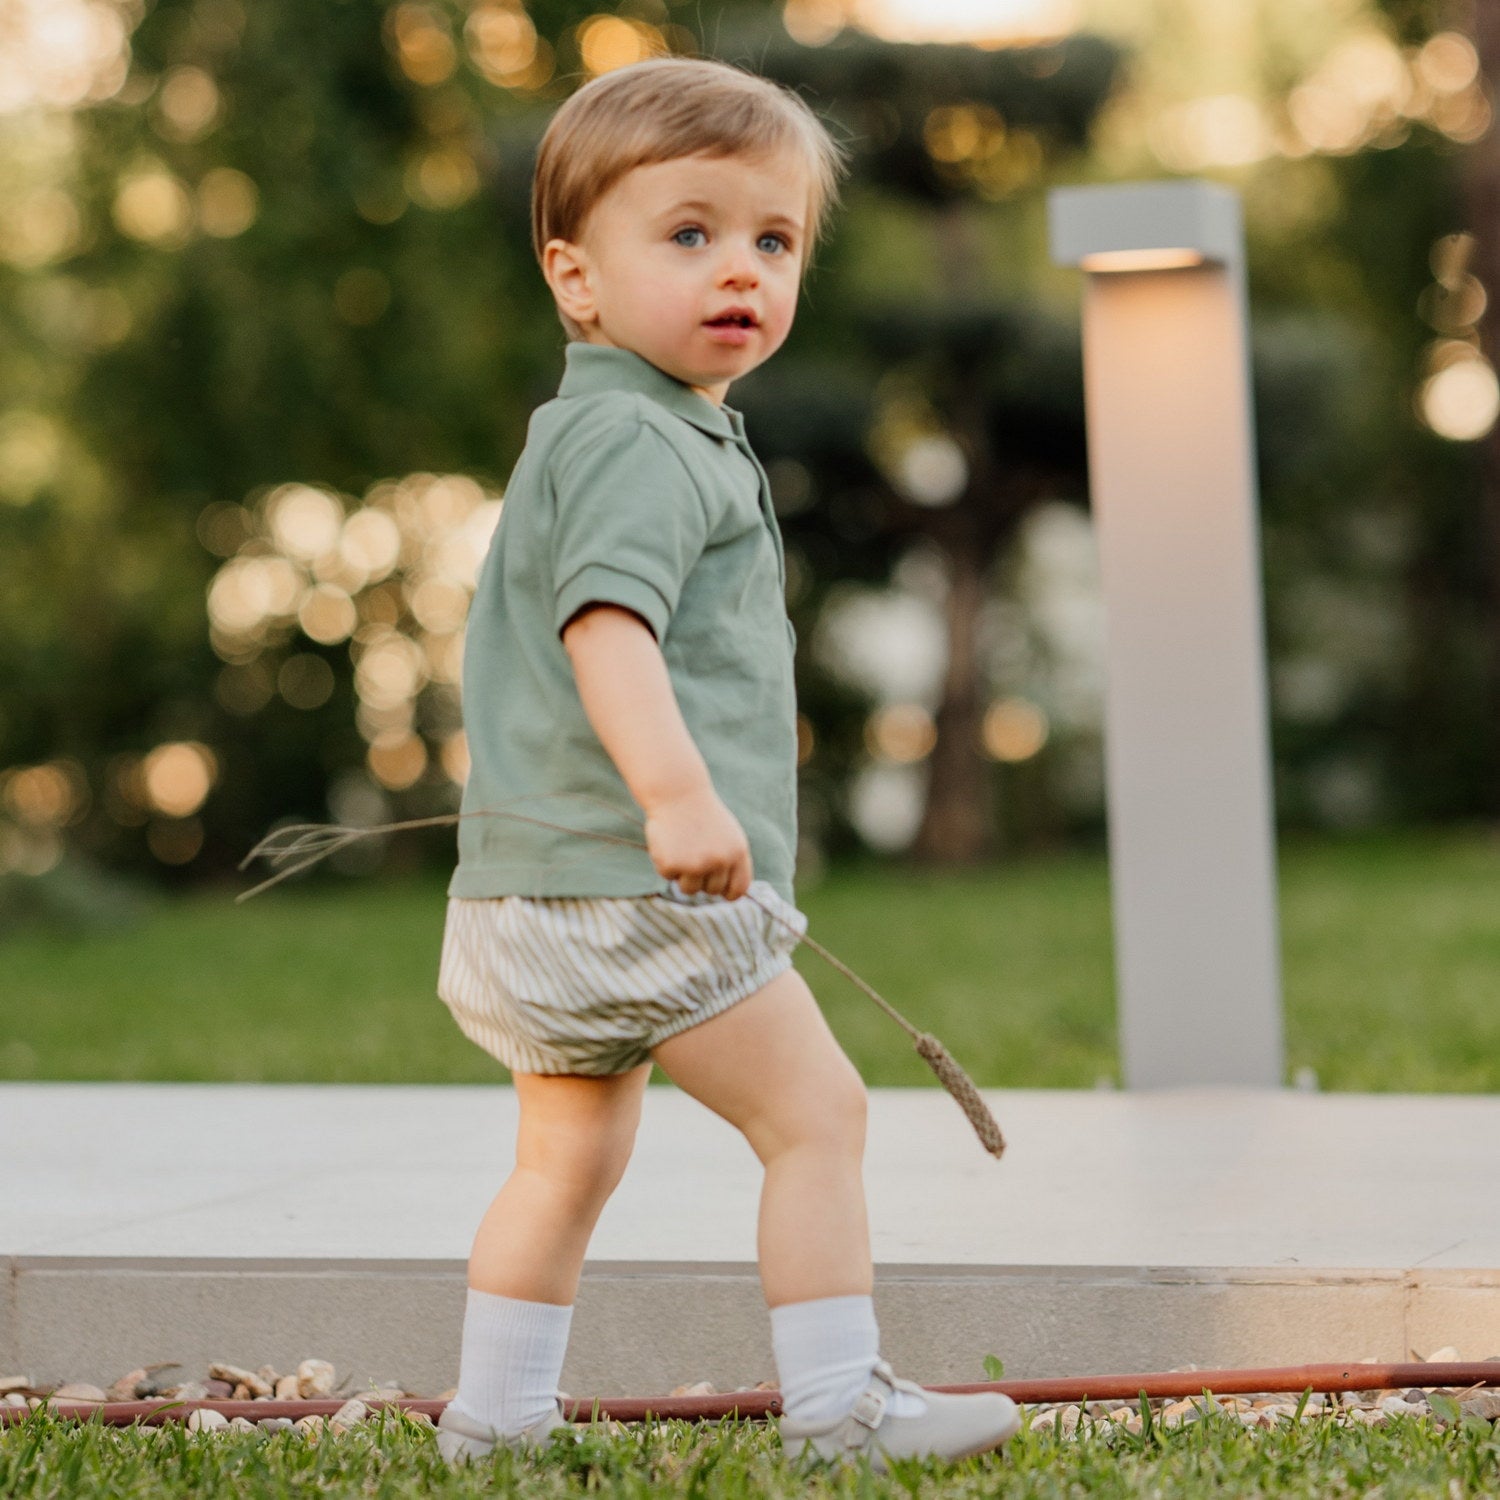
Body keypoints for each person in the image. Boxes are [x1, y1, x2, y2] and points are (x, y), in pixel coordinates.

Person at [432, 55, 1020, 1473]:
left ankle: (491, 1421)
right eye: (688, 234)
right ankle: (839, 1406)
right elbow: (607, 627)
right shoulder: (641, 440)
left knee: (564, 1163)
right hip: (642, 883)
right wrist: (678, 795)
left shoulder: (603, 427)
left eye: (774, 240)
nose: (739, 268)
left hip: (531, 897)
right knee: (817, 1115)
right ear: (577, 280)